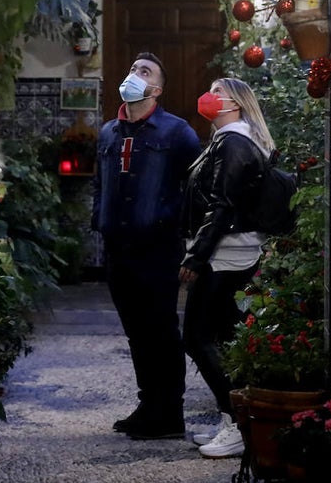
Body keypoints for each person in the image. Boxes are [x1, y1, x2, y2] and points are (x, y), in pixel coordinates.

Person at [92, 52, 202, 440]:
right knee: (136, 332)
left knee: (161, 329)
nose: (134, 75)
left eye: (144, 71)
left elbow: (197, 190)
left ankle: (170, 413)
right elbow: (99, 184)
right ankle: (147, 404)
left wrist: (184, 236)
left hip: (158, 247)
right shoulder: (108, 132)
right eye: (132, 68)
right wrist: (99, 221)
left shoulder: (177, 133)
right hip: (118, 248)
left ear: (156, 88)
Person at [179, 77, 274, 459]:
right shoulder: (230, 140)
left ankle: (237, 422)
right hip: (228, 251)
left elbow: (222, 205)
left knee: (197, 337)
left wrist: (195, 256)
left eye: (218, 93)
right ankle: (234, 418)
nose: (209, 97)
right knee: (220, 337)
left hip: (225, 254)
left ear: (235, 104)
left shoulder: (234, 142)